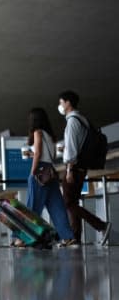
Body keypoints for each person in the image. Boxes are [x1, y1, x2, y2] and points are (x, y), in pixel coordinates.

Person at [58, 90, 111, 245]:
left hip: (74, 168)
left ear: (68, 103)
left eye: (61, 102)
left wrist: (68, 170)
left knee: (67, 203)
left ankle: (101, 225)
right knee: (72, 202)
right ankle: (75, 237)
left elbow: (73, 149)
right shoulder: (81, 119)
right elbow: (77, 145)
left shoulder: (73, 121)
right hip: (80, 167)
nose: (60, 106)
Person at [23, 107, 77, 247]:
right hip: (50, 171)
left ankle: (25, 238)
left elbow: (39, 153)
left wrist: (33, 172)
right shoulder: (50, 135)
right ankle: (67, 237)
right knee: (56, 206)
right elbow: (52, 156)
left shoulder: (37, 132)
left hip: (40, 170)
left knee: (33, 206)